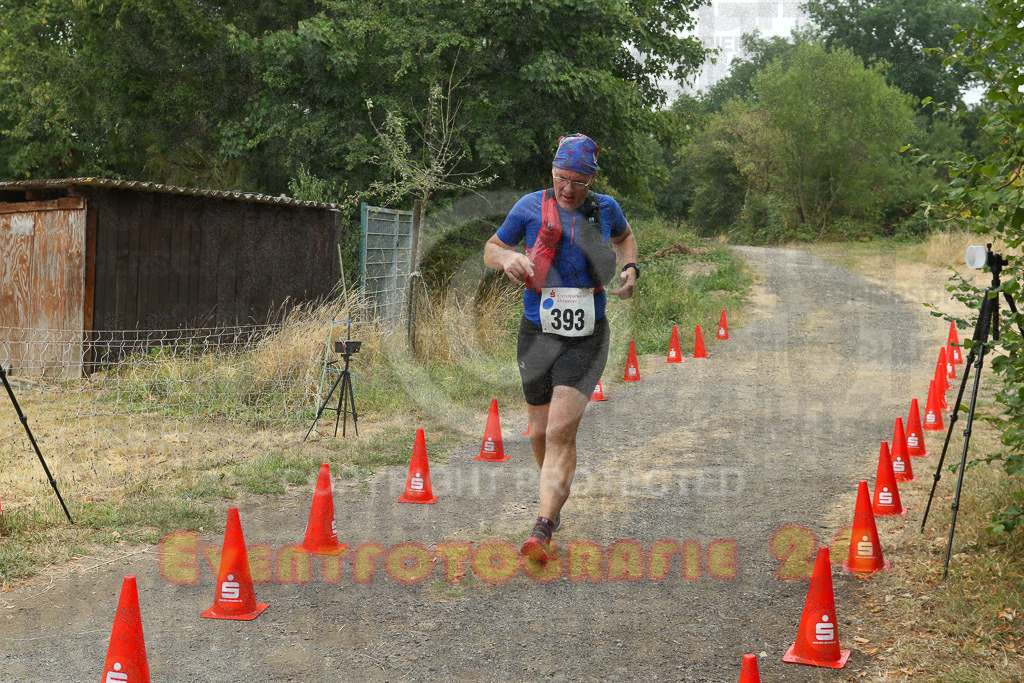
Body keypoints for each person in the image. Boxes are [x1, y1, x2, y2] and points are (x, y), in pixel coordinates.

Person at [482, 134, 639, 562]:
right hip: (537, 331)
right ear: (551, 173)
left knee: (558, 431)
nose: (567, 188)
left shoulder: (606, 208)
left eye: (577, 181)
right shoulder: (530, 206)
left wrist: (630, 268)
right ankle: (555, 490)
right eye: (560, 178)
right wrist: (507, 259)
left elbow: (625, 238)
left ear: (592, 179)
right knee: (538, 433)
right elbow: (491, 248)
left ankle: (543, 526)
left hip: (587, 334)